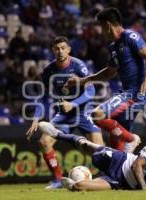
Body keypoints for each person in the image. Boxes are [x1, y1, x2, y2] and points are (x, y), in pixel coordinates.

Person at [65, 7, 146, 152]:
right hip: (127, 93)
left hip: (135, 93)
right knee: (117, 148)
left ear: (107, 25)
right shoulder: (113, 47)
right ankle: (121, 165)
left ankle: (131, 139)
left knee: (97, 114)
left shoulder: (129, 36)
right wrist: (82, 81)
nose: (101, 32)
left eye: (101, 27)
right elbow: (109, 72)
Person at [25, 36, 104, 189]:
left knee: (100, 150)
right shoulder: (49, 71)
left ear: (68, 49)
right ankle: (57, 180)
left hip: (83, 111)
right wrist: (35, 119)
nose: (60, 51)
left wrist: (73, 103)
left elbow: (91, 90)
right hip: (64, 114)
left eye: (63, 48)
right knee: (44, 142)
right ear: (53, 51)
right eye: (57, 49)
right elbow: (43, 96)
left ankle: (105, 179)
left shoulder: (78, 66)